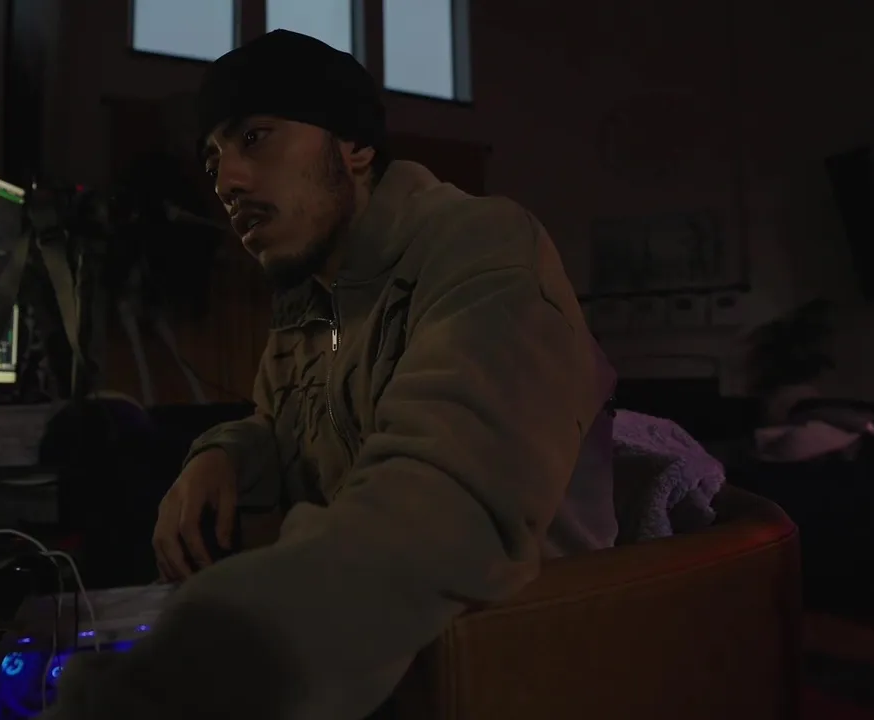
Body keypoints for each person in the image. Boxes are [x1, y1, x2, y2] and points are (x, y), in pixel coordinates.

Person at [44, 30, 616, 720]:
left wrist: (175, 681)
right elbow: (277, 422)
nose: (227, 183)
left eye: (255, 138)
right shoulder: (308, 298)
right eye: (213, 159)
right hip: (381, 661)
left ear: (355, 146)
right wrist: (220, 453)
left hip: (506, 662)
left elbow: (442, 507)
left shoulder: (482, 245)